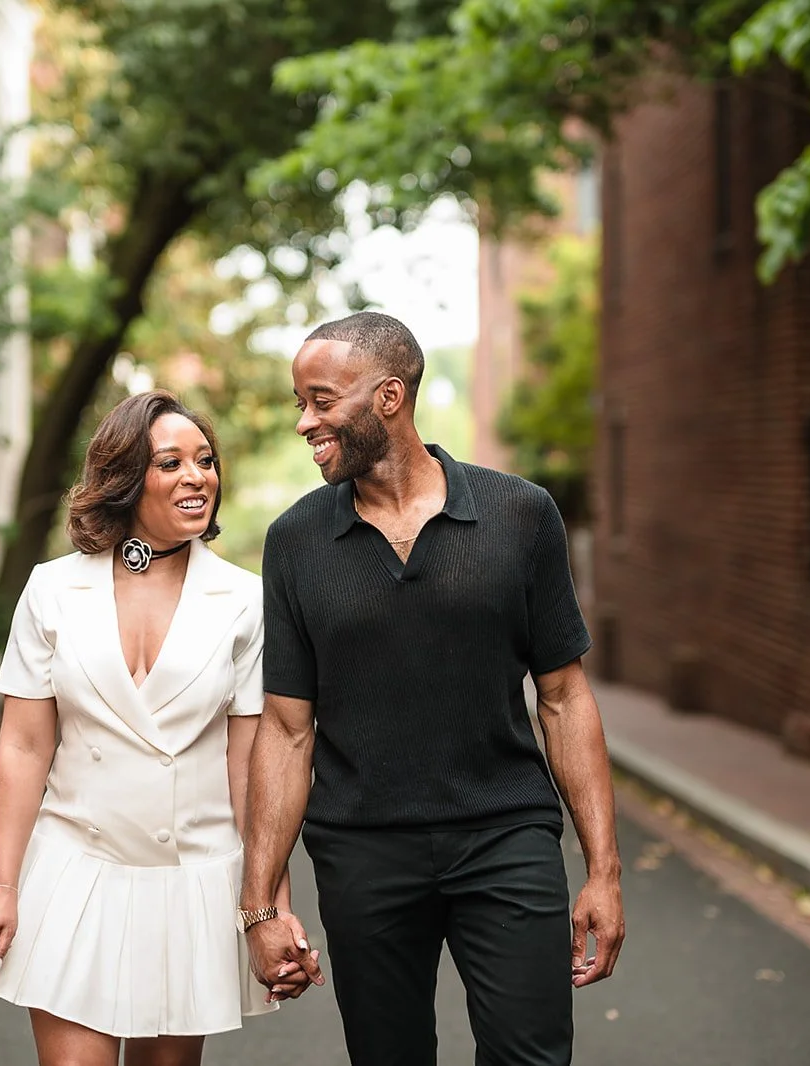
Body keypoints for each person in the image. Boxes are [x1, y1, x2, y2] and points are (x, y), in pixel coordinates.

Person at [239, 312, 626, 1066]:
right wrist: (261, 904)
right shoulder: (295, 541)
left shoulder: (520, 515)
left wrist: (603, 872)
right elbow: (286, 730)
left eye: (320, 400)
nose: (304, 422)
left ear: (388, 396)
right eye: (299, 403)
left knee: (532, 1057)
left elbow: (564, 698)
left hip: (504, 835)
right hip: (363, 851)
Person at [0, 390, 309, 1066]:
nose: (196, 477)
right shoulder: (53, 590)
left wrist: (270, 911)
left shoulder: (244, 601)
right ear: (124, 479)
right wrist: (2, 890)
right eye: (171, 462)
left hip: (192, 884)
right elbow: (24, 745)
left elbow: (253, 768)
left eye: (205, 461)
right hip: (76, 870)